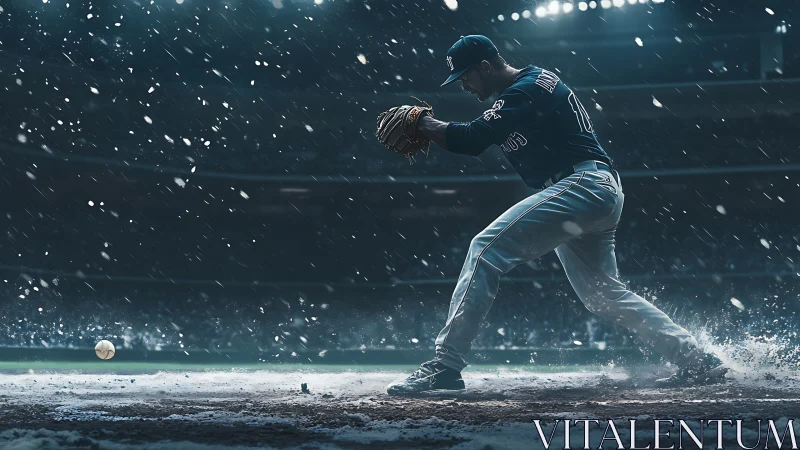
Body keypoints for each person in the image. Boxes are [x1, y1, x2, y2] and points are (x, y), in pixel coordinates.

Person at [386, 35, 727, 395]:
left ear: (485, 66)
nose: (465, 86)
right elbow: (479, 133)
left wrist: (422, 124)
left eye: (465, 77)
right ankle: (696, 360)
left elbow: (471, 140)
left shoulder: (527, 87)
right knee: (603, 295)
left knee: (484, 250)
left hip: (580, 185)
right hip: (593, 190)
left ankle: (445, 367)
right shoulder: (525, 88)